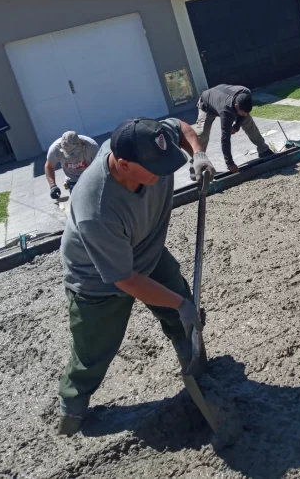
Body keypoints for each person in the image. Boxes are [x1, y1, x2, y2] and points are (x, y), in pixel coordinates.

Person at [57, 117, 216, 436]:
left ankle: (194, 365)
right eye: (157, 166)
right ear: (125, 165)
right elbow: (125, 279)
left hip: (147, 249)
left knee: (182, 314)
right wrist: (180, 303)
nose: (166, 170)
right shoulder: (96, 206)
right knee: (94, 349)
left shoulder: (145, 141)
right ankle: (72, 411)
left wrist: (198, 154)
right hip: (97, 280)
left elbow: (182, 127)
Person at [190, 84, 274, 179]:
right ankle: (195, 166)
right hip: (206, 105)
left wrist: (237, 126)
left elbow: (244, 114)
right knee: (202, 134)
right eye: (243, 112)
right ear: (236, 106)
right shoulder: (226, 111)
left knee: (248, 121)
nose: (245, 114)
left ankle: (263, 150)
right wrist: (230, 163)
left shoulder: (246, 92)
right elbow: (225, 138)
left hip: (220, 97)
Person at [45, 131, 99, 199]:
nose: (71, 156)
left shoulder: (91, 146)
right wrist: (53, 186)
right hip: (73, 180)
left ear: (80, 145)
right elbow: (49, 166)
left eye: (72, 153)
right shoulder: (55, 149)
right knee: (78, 202)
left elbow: (100, 165)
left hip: (91, 177)